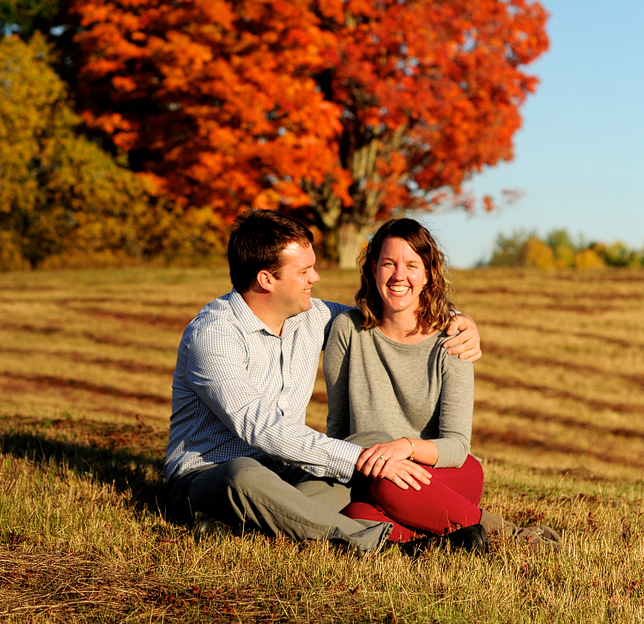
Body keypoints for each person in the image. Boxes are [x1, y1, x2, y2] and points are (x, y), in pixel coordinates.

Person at [165, 209, 485, 554]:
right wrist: (356, 460)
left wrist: (458, 319)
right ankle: (375, 541)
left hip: (285, 473)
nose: (314, 278)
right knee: (244, 475)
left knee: (374, 442)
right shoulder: (213, 334)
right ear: (266, 280)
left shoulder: (311, 317)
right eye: (303, 271)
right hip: (210, 475)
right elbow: (261, 429)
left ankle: (253, 524)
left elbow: (386, 312)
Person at [324, 217, 560, 549]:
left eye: (411, 265)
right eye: (388, 263)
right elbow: (337, 427)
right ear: (373, 268)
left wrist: (404, 447)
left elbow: (456, 445)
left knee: (385, 487)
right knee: (355, 514)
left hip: (445, 472)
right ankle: (450, 536)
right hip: (374, 475)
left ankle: (508, 537)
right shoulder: (347, 330)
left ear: (428, 274)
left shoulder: (452, 339)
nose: (398, 276)